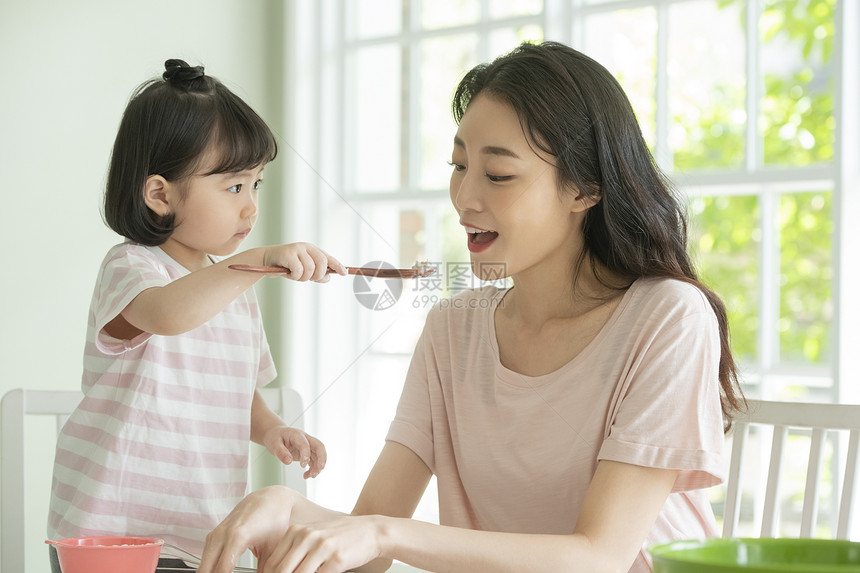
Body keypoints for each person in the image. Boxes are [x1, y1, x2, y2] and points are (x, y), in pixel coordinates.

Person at [197, 41, 746, 573]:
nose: (464, 199)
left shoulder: (668, 318)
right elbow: (372, 541)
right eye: (459, 166)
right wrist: (286, 508)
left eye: (499, 175)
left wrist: (380, 533)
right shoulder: (452, 329)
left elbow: (599, 557)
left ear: (585, 189)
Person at [46, 59, 347, 571]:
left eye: (257, 185)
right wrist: (252, 263)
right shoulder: (132, 268)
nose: (251, 208)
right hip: (109, 534)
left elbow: (233, 392)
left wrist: (272, 428)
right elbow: (167, 314)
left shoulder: (238, 289)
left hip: (202, 532)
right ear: (160, 195)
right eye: (234, 187)